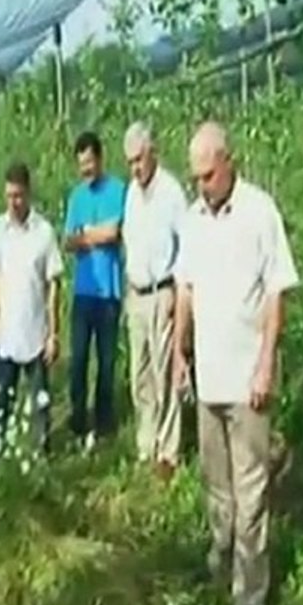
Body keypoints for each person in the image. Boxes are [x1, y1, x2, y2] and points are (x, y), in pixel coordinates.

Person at [173, 121, 299, 605]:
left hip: (249, 383)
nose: (201, 185)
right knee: (216, 482)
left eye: (207, 175)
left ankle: (249, 599)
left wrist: (267, 361)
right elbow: (185, 287)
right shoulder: (193, 219)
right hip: (209, 377)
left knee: (251, 496)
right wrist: (180, 351)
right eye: (196, 178)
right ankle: (220, 556)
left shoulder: (259, 212)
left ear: (229, 162)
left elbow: (276, 292)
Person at [0, 161, 63, 456]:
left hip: (35, 334)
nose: (13, 202)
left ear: (28, 193)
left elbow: (54, 284)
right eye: (9, 196)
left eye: (18, 195)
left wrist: (53, 334)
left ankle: (41, 455)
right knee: (1, 396)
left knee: (40, 401)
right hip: (6, 334)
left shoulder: (44, 232)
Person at [121, 121, 188, 480]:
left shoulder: (171, 192)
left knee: (165, 376)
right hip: (137, 293)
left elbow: (187, 246)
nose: (135, 167)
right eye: (130, 161)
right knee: (140, 375)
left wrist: (179, 295)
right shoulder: (131, 194)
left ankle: (168, 451)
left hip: (163, 293)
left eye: (139, 159)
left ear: (152, 153)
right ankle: (145, 444)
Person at [63, 130, 128, 451]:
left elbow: (114, 233)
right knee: (77, 361)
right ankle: (77, 419)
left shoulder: (118, 190)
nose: (85, 170)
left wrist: (85, 234)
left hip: (109, 294)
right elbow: (67, 241)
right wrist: (92, 234)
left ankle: (103, 423)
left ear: (100, 159)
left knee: (105, 362)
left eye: (89, 163)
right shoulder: (76, 197)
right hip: (83, 292)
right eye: (81, 165)